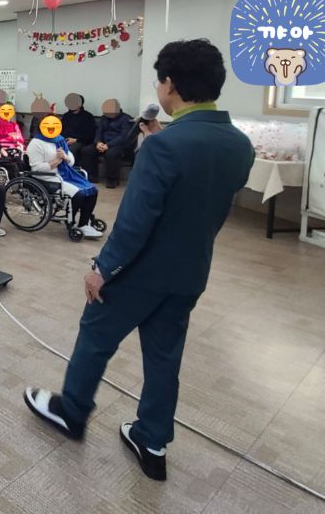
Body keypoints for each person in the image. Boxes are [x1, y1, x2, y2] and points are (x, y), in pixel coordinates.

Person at [25, 39, 254, 482]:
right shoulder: (239, 145)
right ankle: (152, 439)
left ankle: (72, 411)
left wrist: (103, 268)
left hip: (139, 273)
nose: (159, 88)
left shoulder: (163, 146)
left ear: (171, 85)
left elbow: (134, 222)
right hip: (190, 270)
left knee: (96, 335)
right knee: (165, 356)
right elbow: (202, 202)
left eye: (159, 81)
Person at [26, 117, 103, 239]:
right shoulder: (36, 143)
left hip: (65, 174)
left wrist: (65, 157)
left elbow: (71, 161)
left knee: (92, 190)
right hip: (47, 177)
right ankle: (71, 222)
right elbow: (37, 168)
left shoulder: (60, 140)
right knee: (79, 194)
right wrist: (56, 161)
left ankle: (84, 224)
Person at [78, 99, 135, 188]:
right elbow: (98, 132)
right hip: (103, 143)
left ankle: (112, 180)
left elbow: (123, 137)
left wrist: (108, 145)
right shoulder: (103, 118)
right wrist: (98, 142)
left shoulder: (126, 119)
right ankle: (92, 176)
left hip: (118, 144)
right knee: (87, 150)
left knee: (111, 154)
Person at [0, 107, 27, 178]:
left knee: (22, 161)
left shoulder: (14, 125)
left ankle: (23, 179)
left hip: (15, 148)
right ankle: (19, 180)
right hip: (3, 149)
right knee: (15, 164)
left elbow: (20, 139)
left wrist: (19, 144)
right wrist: (9, 135)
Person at [61, 94, 97, 159]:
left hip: (79, 141)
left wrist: (75, 140)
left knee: (70, 151)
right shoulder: (66, 116)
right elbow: (60, 130)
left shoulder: (88, 116)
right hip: (64, 140)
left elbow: (90, 135)